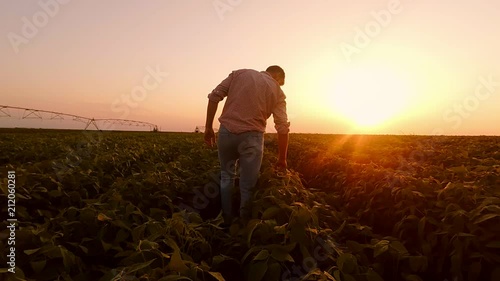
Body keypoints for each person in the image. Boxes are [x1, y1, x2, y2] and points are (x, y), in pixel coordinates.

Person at [204, 65, 290, 223]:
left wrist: (208, 127)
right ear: (278, 77)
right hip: (252, 138)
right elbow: (282, 128)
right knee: (247, 185)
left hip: (226, 133)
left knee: (226, 177)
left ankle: (227, 220)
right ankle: (243, 224)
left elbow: (214, 97)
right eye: (280, 82)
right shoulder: (278, 92)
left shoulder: (240, 73)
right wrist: (282, 159)